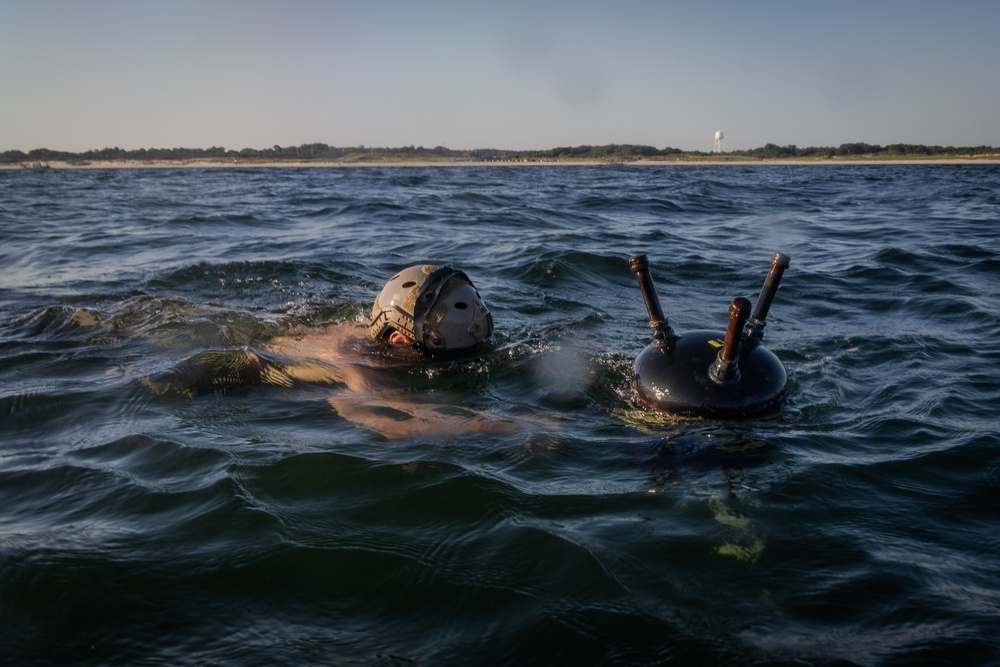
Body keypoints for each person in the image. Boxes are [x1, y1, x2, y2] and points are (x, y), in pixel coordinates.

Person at [144, 264, 525, 440]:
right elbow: (388, 422)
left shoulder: (389, 336)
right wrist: (509, 426)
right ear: (397, 341)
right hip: (225, 362)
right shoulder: (356, 363)